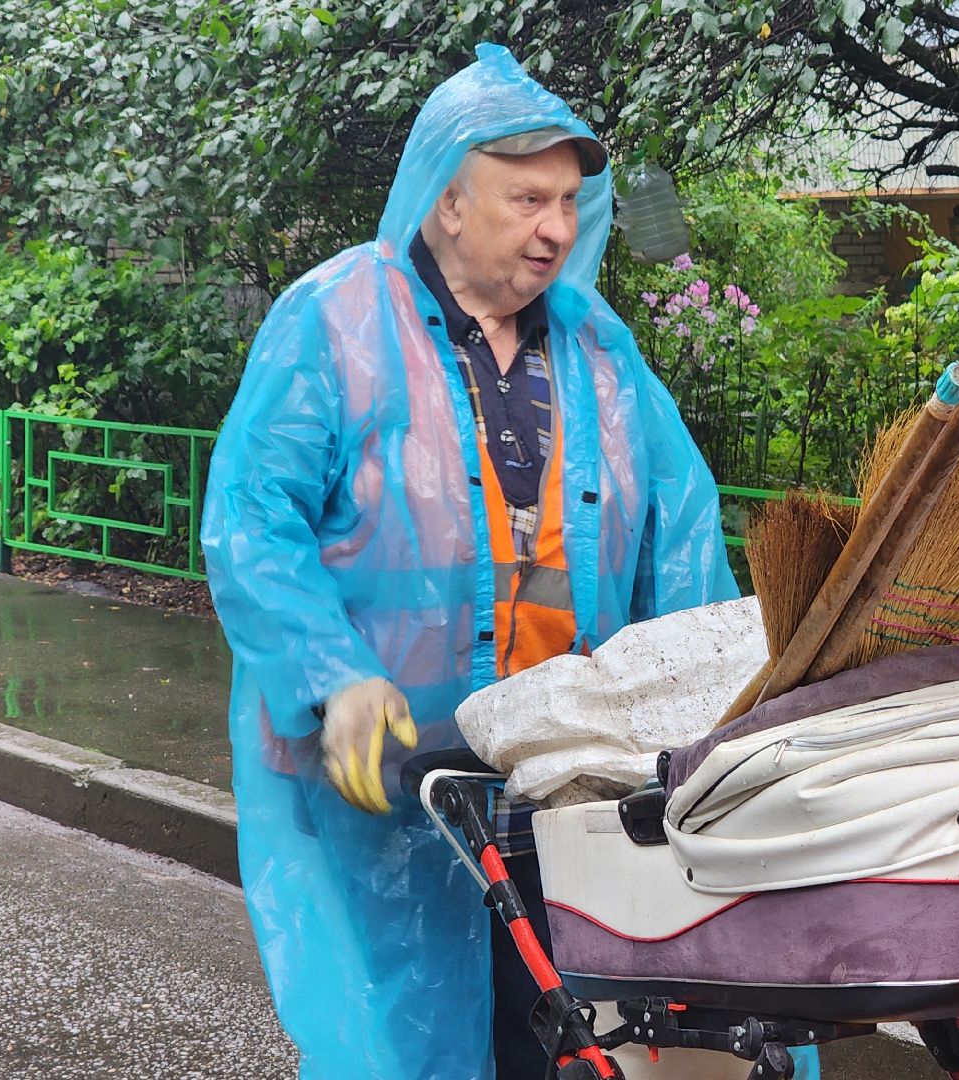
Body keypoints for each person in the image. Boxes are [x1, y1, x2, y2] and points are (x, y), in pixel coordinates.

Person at [202, 44, 819, 1080]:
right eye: (527, 197)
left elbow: (679, 542)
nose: (557, 227)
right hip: (394, 770)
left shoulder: (598, 350)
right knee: (407, 1032)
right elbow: (253, 524)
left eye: (570, 200)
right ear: (447, 202)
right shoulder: (334, 319)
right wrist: (333, 678)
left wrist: (720, 714)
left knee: (582, 1036)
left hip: (566, 773)